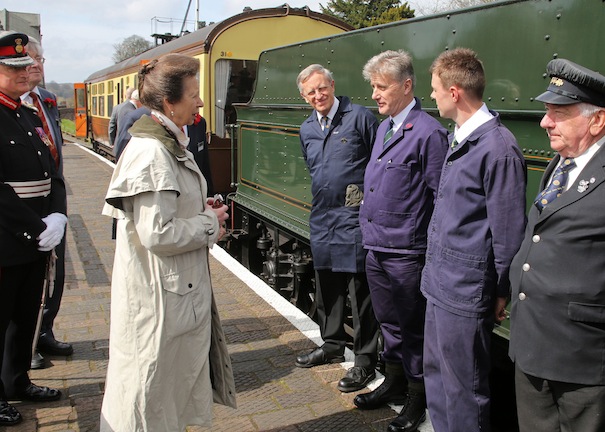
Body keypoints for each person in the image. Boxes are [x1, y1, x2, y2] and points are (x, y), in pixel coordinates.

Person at [100, 53, 236, 431]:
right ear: (169, 102)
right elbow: (156, 233)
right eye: (194, 94)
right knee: (149, 394)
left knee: (163, 394)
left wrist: (198, 208)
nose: (201, 102)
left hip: (171, 291)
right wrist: (209, 222)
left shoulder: (165, 143)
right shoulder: (152, 153)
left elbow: (167, 212)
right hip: (160, 298)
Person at [421, 47, 527, 432]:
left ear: (454, 92)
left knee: (464, 389)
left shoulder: (497, 149)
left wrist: (500, 291)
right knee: (437, 378)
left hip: (465, 291)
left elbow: (508, 231)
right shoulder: (462, 137)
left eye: (434, 89)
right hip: (440, 283)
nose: (430, 96)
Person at [509, 59, 605, 432]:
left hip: (582, 356)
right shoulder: (561, 164)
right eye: (547, 112)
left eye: (558, 114)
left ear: (597, 120)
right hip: (533, 346)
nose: (545, 122)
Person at [356, 50, 448, 432]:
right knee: (388, 321)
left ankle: (417, 396)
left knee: (413, 328)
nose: (375, 94)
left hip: (407, 253)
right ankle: (393, 382)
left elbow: (440, 197)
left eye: (382, 86)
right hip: (377, 247)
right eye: (373, 87)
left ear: (407, 86)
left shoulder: (428, 133)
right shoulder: (385, 127)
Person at [294, 64, 380, 393]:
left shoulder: (359, 117)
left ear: (332, 84)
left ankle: (364, 361)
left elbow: (376, 163)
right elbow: (313, 167)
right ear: (304, 97)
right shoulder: (307, 129)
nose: (318, 95)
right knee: (326, 283)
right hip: (323, 217)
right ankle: (331, 345)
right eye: (310, 92)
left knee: (360, 292)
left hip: (353, 217)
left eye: (322, 88)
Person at [0, 31, 66, 426]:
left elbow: (52, 172)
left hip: (38, 233)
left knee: (27, 315)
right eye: (15, 68)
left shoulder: (27, 114)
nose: (26, 74)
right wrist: (34, 226)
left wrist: (57, 215)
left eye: (28, 67)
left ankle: (17, 380)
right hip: (7, 237)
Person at [22, 36, 73, 371]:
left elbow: (54, 154)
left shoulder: (48, 100)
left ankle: (45, 330)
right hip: (24, 205)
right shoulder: (9, 104)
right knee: (24, 280)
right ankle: (25, 346)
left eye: (40, 57)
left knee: (55, 272)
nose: (38, 63)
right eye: (30, 58)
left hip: (54, 199)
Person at [114, 106, 214, 194]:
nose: (200, 102)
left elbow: (204, 165)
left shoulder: (199, 123)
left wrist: (208, 197)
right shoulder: (134, 119)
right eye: (193, 95)